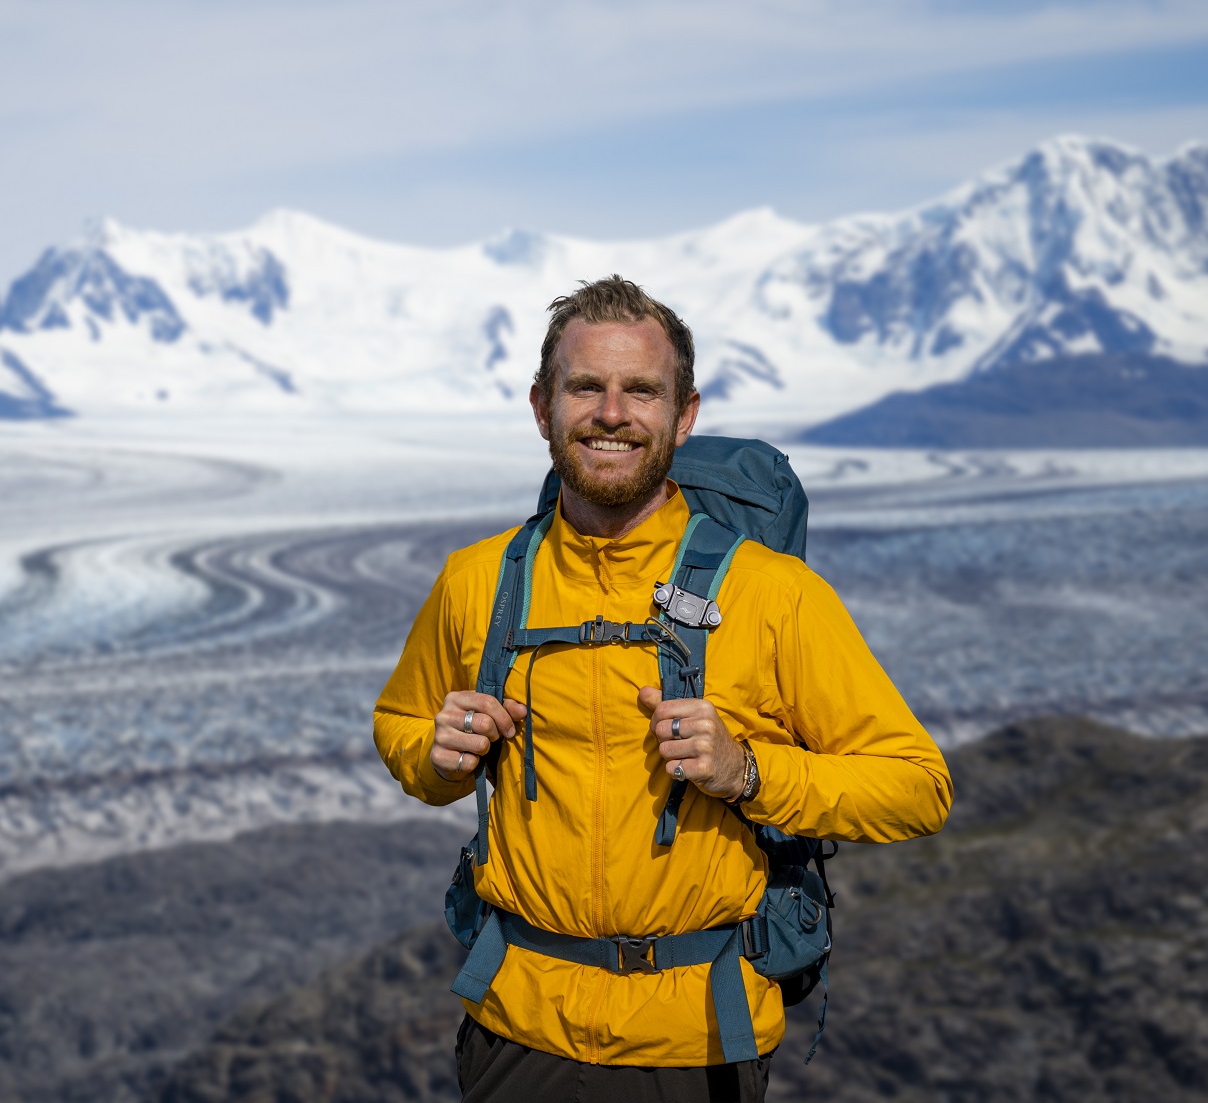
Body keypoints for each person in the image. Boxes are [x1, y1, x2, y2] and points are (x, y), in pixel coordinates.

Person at [373, 277, 952, 1102]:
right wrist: (435, 758)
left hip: (696, 1041)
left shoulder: (773, 594)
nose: (612, 413)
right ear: (544, 408)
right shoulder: (476, 584)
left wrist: (749, 773)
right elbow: (401, 721)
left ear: (683, 415)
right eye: (586, 387)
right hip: (517, 1029)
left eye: (641, 390)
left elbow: (918, 787)